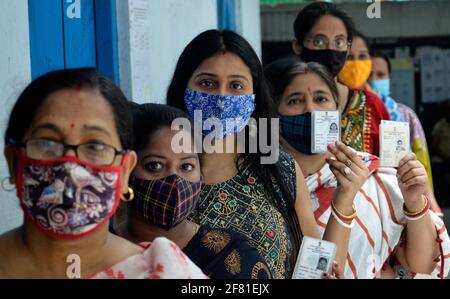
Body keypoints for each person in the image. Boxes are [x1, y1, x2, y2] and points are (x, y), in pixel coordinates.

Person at [167, 29, 349, 279]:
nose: (222, 97)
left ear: (253, 97)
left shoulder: (279, 168)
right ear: (183, 87)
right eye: (207, 83)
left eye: (236, 85)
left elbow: (314, 266)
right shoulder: (158, 173)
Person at [0, 68, 206, 279]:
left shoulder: (164, 273)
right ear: (13, 161)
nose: (71, 167)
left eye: (95, 146)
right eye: (47, 142)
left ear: (125, 170)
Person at [265, 57, 450, 279]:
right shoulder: (263, 186)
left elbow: (422, 266)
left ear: (336, 108)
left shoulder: (375, 177)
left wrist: (414, 202)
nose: (311, 109)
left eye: (321, 98)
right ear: (275, 113)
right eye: (295, 100)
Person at [115, 102, 271, 279]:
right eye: (155, 165)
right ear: (126, 172)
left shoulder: (231, 258)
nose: (174, 180)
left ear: (201, 179)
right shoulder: (97, 254)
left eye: (186, 166)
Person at [292, 2, 390, 156]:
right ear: (298, 45)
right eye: (319, 41)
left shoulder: (372, 106)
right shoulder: (274, 103)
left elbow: (391, 171)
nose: (330, 50)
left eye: (339, 42)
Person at [370, 52, 441, 216]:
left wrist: (431, 202)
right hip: (366, 203)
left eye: (381, 75)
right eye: (368, 75)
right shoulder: (352, 117)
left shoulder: (404, 115)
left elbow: (421, 162)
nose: (374, 80)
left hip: (404, 199)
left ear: (389, 77)